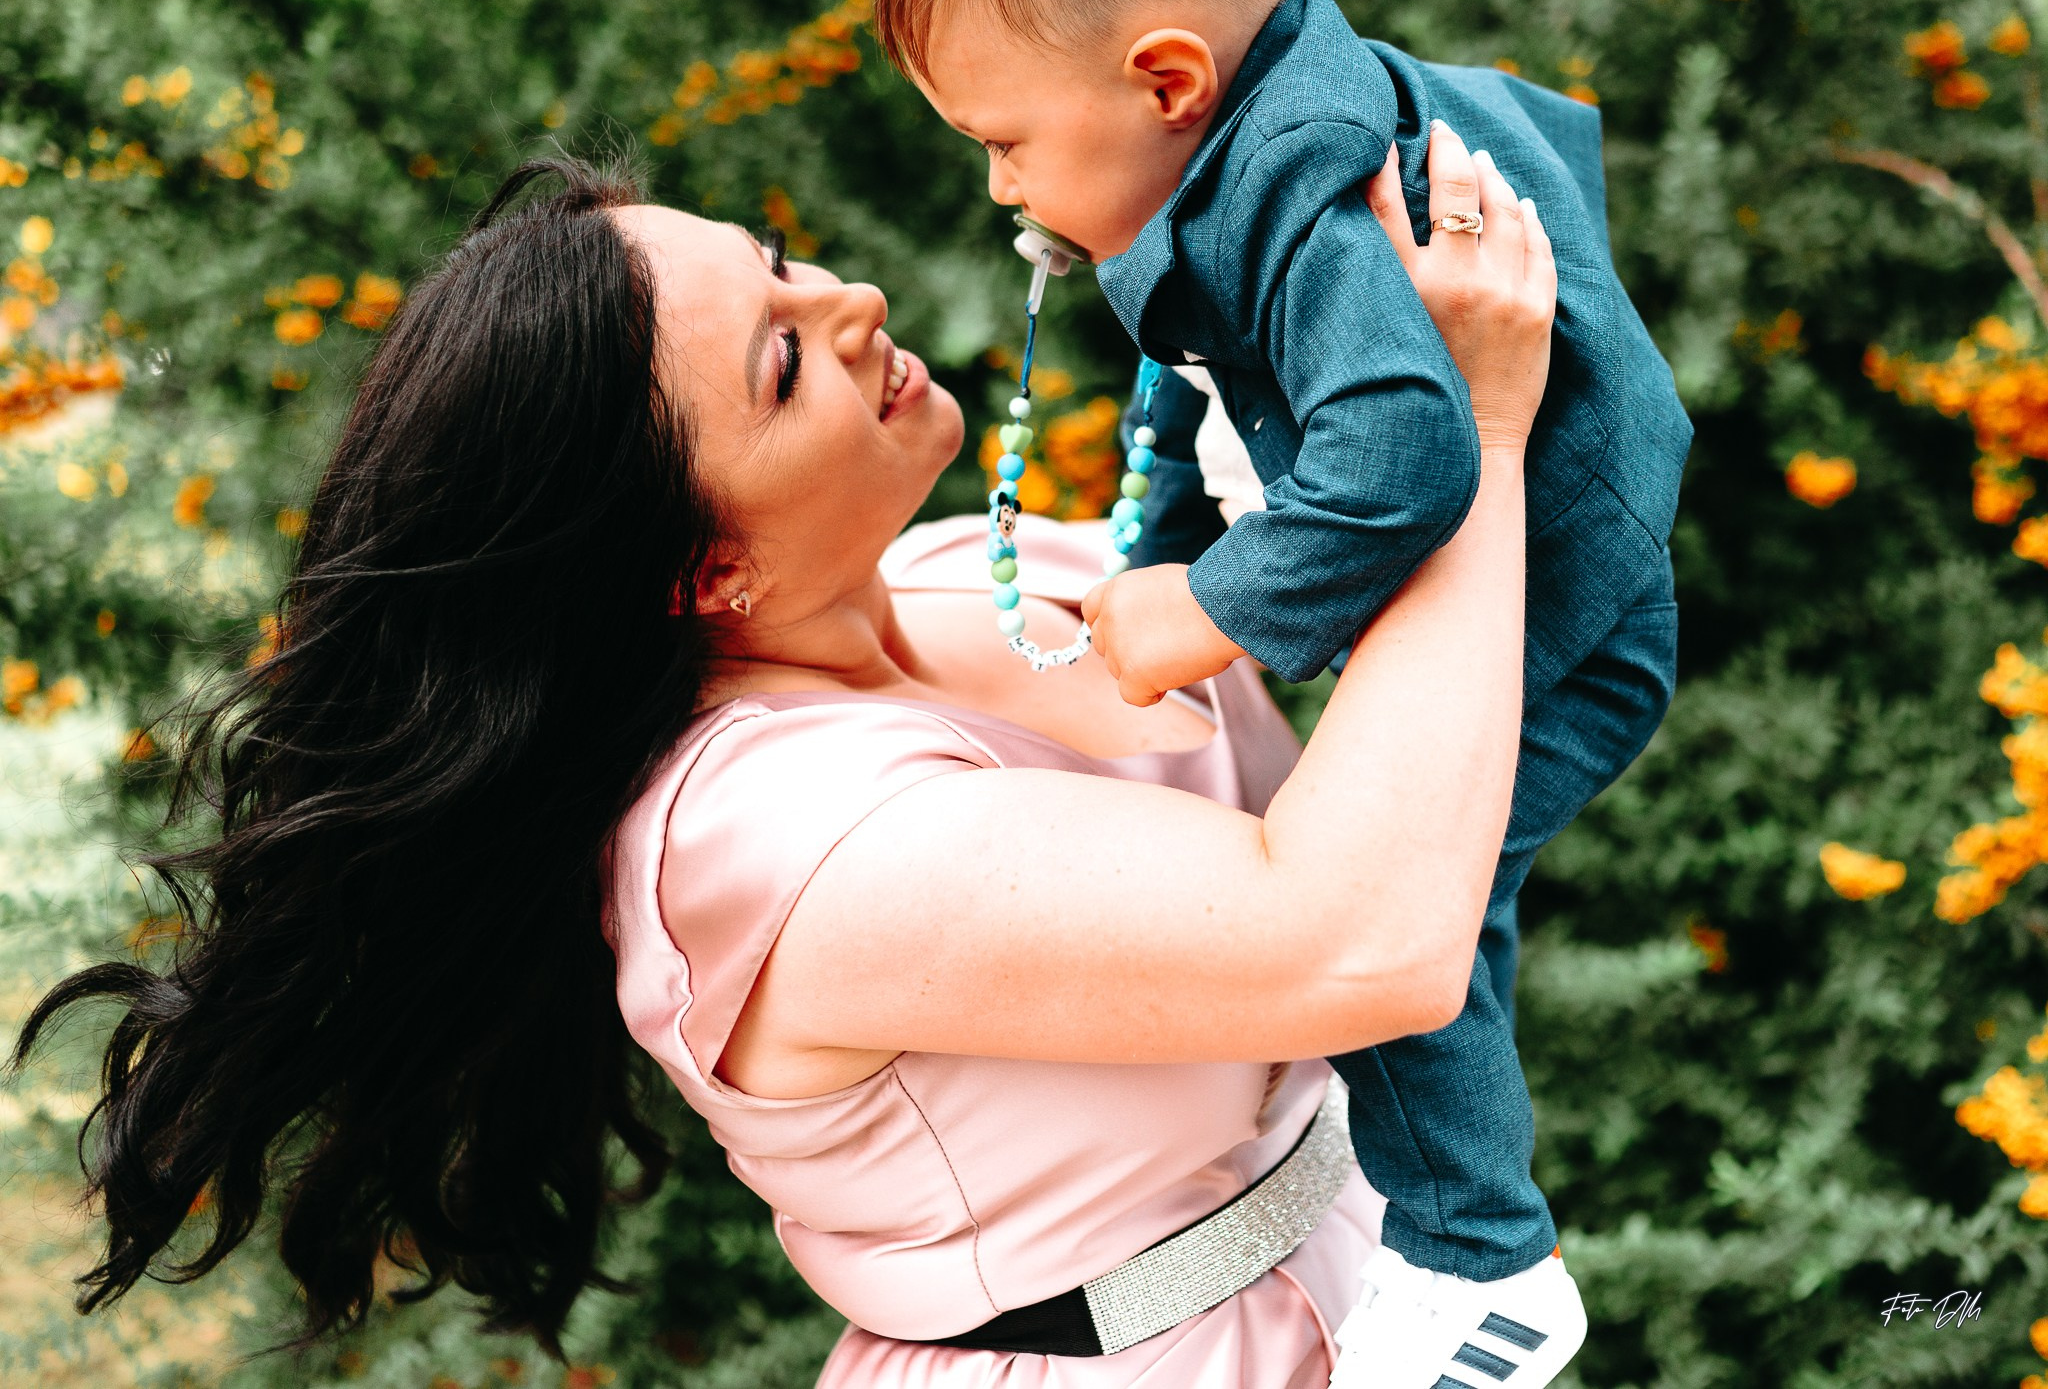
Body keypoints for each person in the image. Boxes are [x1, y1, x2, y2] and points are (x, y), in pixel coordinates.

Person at [13, 137, 1551, 1388]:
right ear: (697, 569)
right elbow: (1367, 932)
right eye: (780, 362)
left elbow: (1380, 684)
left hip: (1369, 1277)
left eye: (782, 265)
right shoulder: (769, 841)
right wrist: (1469, 433)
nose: (856, 301)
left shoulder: (966, 571)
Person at [869, 0, 1691, 1383]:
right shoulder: (1223, 155)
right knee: (1389, 887)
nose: (999, 185)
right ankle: (1442, 1231)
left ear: (1165, 75)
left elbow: (1405, 455)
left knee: (1409, 907)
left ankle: (1486, 1271)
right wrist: (1157, 546)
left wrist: (1207, 605)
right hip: (1522, 599)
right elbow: (1188, 372)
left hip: (1571, 621)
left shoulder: (1314, 206)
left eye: (1007, 139)